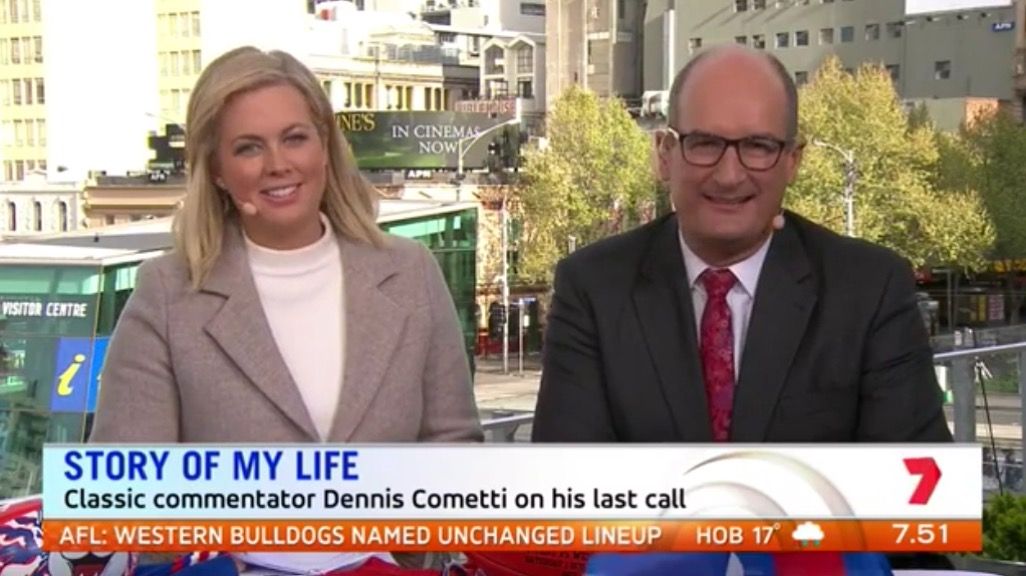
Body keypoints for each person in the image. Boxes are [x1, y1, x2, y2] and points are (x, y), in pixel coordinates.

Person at [532, 45, 952, 444]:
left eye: (758, 147)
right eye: (705, 144)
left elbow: (914, 481)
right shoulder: (593, 288)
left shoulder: (870, 289)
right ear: (664, 154)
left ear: (793, 161)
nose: (729, 176)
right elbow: (566, 480)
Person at [91, 46, 482, 445]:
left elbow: (455, 448)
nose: (278, 164)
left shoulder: (411, 273)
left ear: (324, 147)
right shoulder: (167, 296)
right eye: (249, 147)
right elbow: (127, 475)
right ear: (217, 171)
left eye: (294, 139)